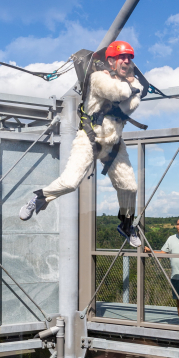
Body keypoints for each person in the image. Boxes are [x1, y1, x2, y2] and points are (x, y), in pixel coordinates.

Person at [19, 40, 143, 247]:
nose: (126, 61)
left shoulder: (130, 82)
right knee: (69, 182)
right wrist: (132, 86)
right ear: (110, 61)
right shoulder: (97, 78)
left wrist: (132, 87)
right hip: (89, 139)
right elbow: (120, 94)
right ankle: (39, 198)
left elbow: (132, 104)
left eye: (129, 58)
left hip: (113, 144)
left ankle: (127, 224)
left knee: (129, 186)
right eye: (122, 57)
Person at [145, 217, 179, 325]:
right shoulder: (171, 239)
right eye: (178, 224)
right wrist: (150, 251)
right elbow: (162, 253)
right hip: (175, 276)